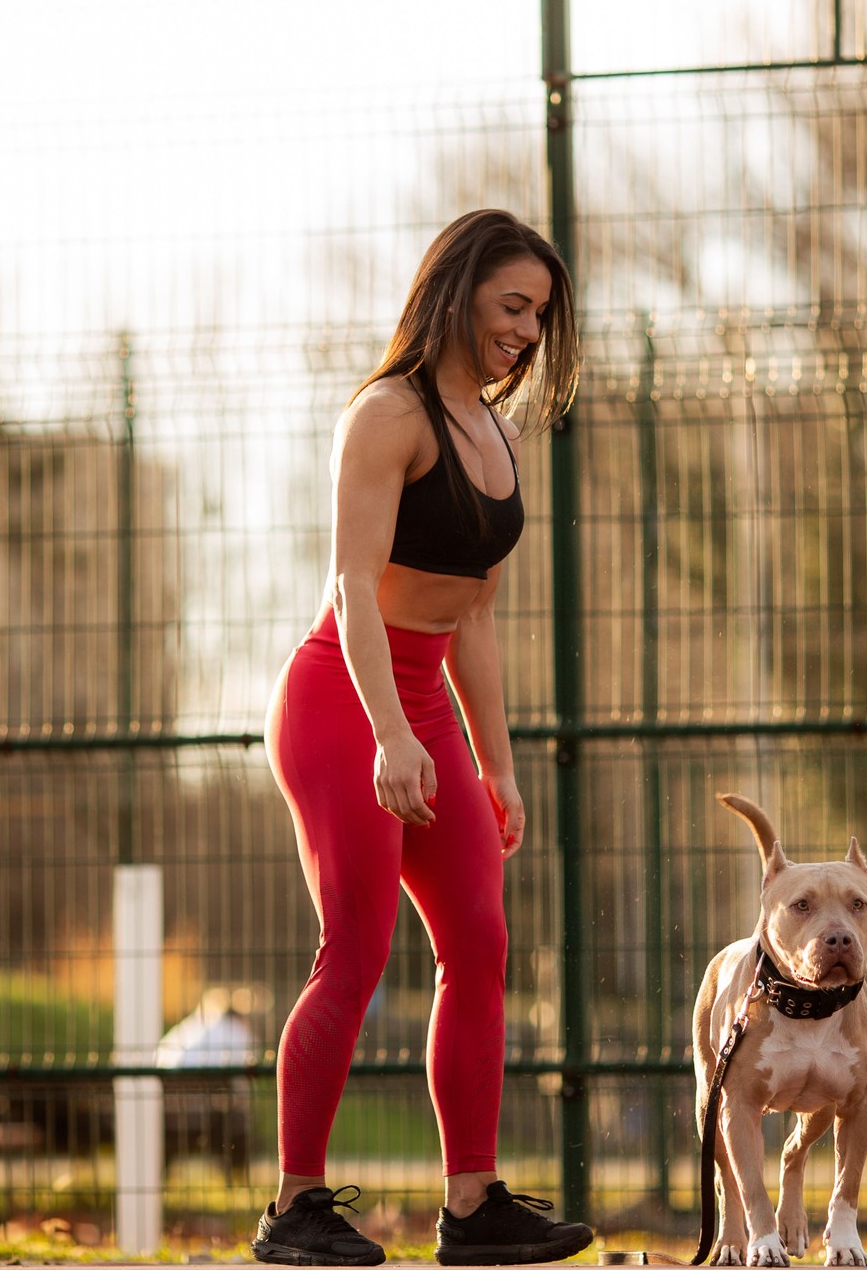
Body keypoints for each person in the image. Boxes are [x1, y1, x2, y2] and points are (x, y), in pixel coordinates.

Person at [252, 209, 592, 1268]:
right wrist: (390, 738)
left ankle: (473, 1201)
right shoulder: (386, 416)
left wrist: (495, 765)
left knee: (480, 941)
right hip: (341, 699)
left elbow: (473, 618)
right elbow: (354, 588)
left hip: (427, 706)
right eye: (511, 307)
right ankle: (295, 1205)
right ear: (456, 292)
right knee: (356, 947)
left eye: (539, 315)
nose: (527, 332)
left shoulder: (499, 429)